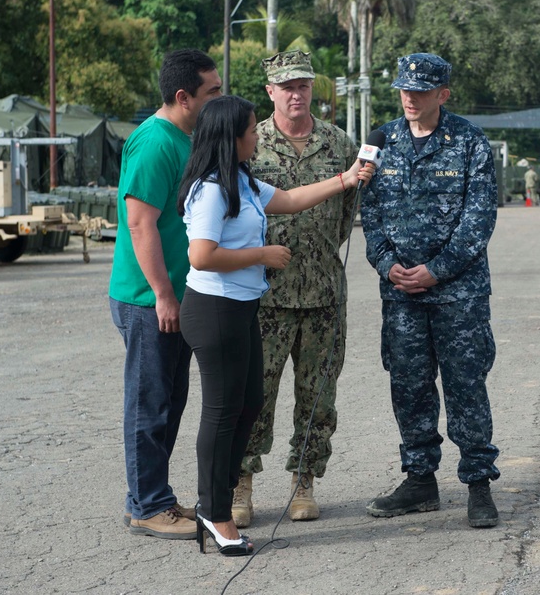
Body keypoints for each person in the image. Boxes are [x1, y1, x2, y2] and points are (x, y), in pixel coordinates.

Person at [177, 95, 373, 555]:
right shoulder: (210, 188)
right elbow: (201, 255)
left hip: (241, 307)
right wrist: (262, 255)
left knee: (248, 405)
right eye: (249, 132)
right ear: (231, 138)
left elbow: (288, 199)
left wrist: (345, 179)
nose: (256, 138)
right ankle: (215, 510)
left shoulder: (242, 180)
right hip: (215, 309)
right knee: (223, 413)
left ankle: (218, 502)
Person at [360, 52, 500, 528]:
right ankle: (420, 479)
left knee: (466, 386)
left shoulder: (469, 142)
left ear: (443, 94)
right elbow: (370, 213)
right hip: (400, 295)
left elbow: (479, 219)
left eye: (421, 91)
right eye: (404, 89)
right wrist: (385, 263)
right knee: (409, 387)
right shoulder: (381, 140)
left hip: (457, 294)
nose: (410, 97)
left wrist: (437, 270)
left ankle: (478, 484)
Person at [230, 50, 360, 527]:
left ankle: (304, 479)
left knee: (318, 396)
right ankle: (240, 482)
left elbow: (347, 215)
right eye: (286, 86)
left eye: (303, 85)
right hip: (264, 295)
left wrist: (314, 251)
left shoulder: (339, 144)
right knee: (254, 395)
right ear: (270, 92)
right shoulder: (249, 143)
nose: (296, 93)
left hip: (324, 294)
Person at [109, 48, 222, 541]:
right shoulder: (155, 143)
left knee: (169, 402)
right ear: (184, 97)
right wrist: (163, 295)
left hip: (174, 294)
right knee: (149, 404)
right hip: (146, 299)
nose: (218, 98)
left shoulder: (185, 136)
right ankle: (146, 506)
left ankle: (152, 495)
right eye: (211, 92)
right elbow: (140, 223)